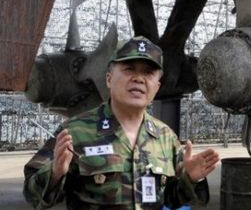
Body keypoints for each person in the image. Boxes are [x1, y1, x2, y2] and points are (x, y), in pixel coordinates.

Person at [23, 36, 220, 209]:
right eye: (129, 69)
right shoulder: (75, 132)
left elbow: (172, 199)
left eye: (148, 73)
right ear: (109, 79)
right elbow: (33, 195)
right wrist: (56, 173)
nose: (138, 79)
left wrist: (191, 178)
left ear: (157, 87)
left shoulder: (166, 138)